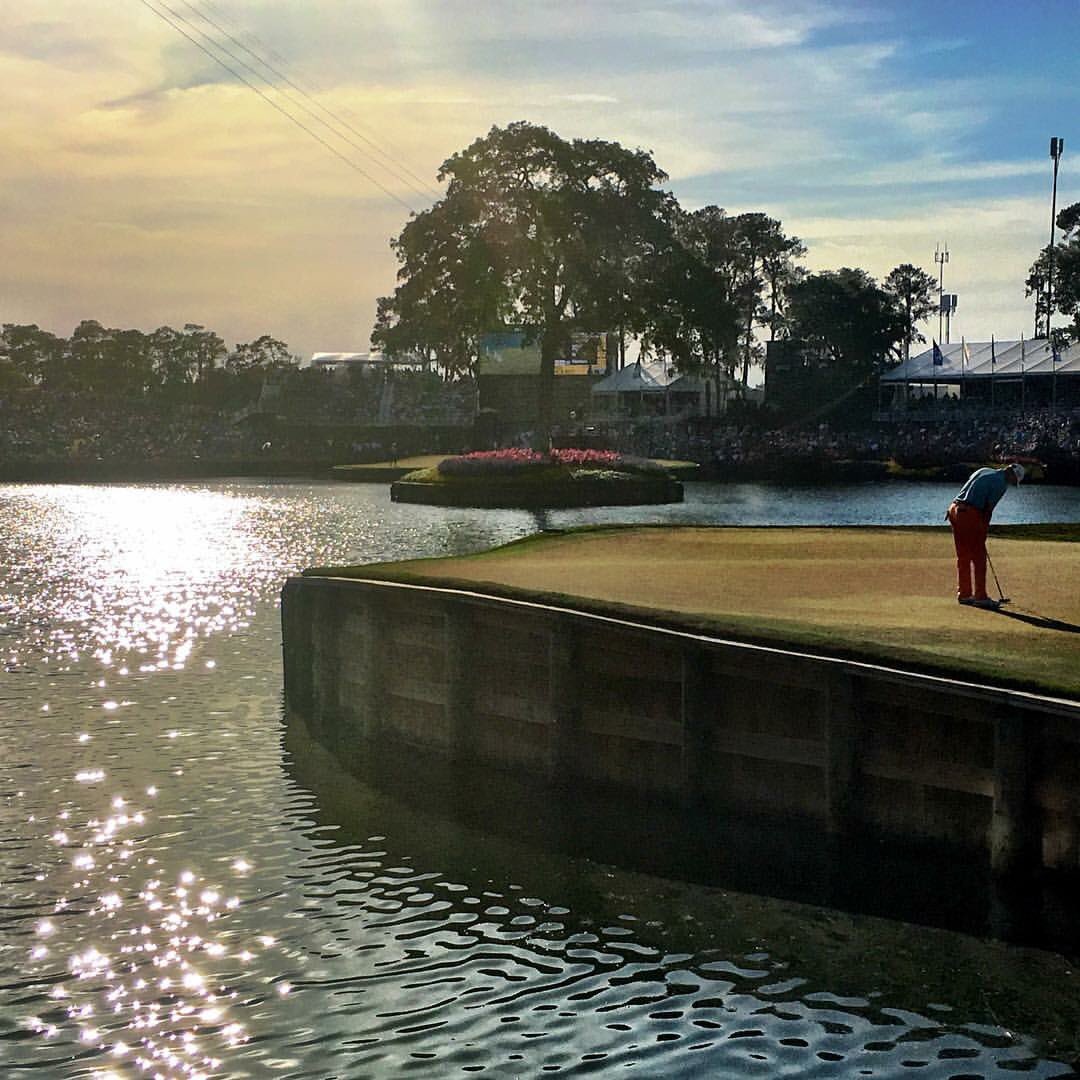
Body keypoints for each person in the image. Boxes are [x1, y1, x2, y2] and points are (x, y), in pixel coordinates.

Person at [946, 463, 1024, 608]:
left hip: (954, 510)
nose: (1013, 484)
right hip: (970, 514)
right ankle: (980, 597)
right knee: (979, 557)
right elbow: (987, 510)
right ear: (1011, 474)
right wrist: (983, 531)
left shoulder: (984, 470)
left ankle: (964, 594)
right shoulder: (1001, 484)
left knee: (963, 556)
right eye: (1014, 480)